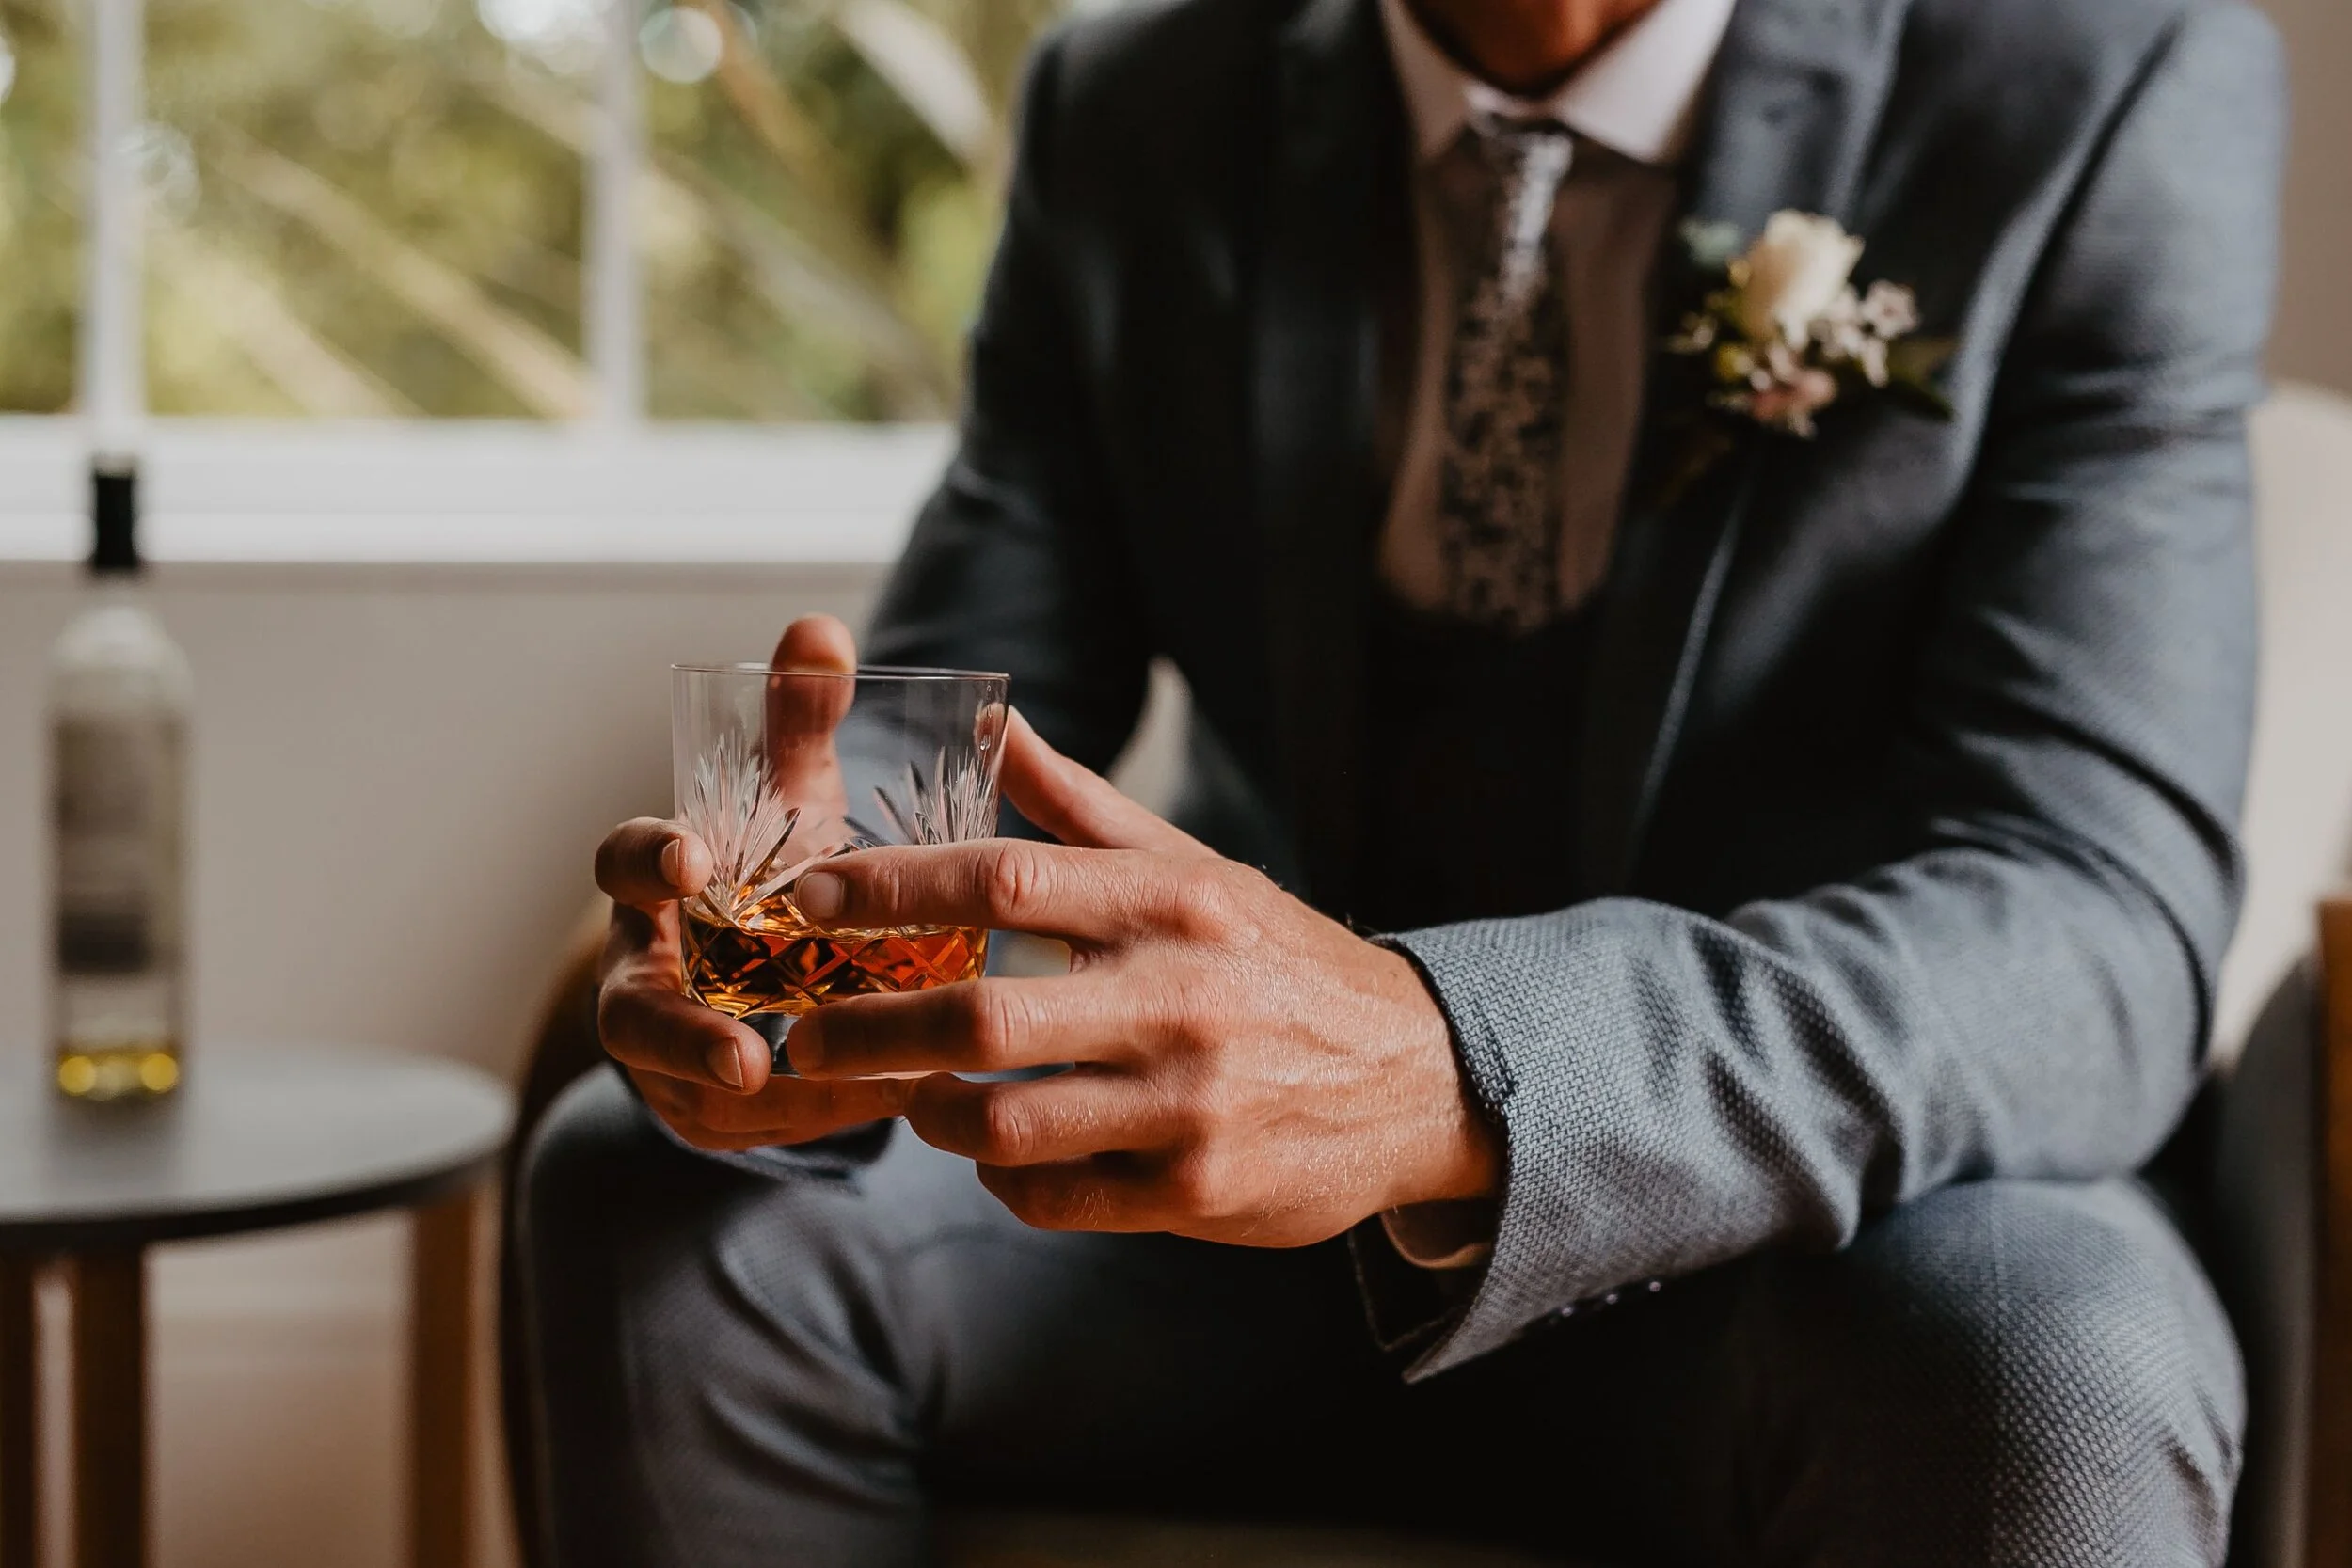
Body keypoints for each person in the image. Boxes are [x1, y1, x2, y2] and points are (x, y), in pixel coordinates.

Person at [521, 0, 2285, 1559]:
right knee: (649, 1192)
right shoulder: (1130, 104)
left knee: (2055, 1370)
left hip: (1821, 1246)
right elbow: (951, 713)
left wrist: (1457, 1062)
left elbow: (2092, 921)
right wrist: (801, 932)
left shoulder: (2101, 82)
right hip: (1235, 1266)